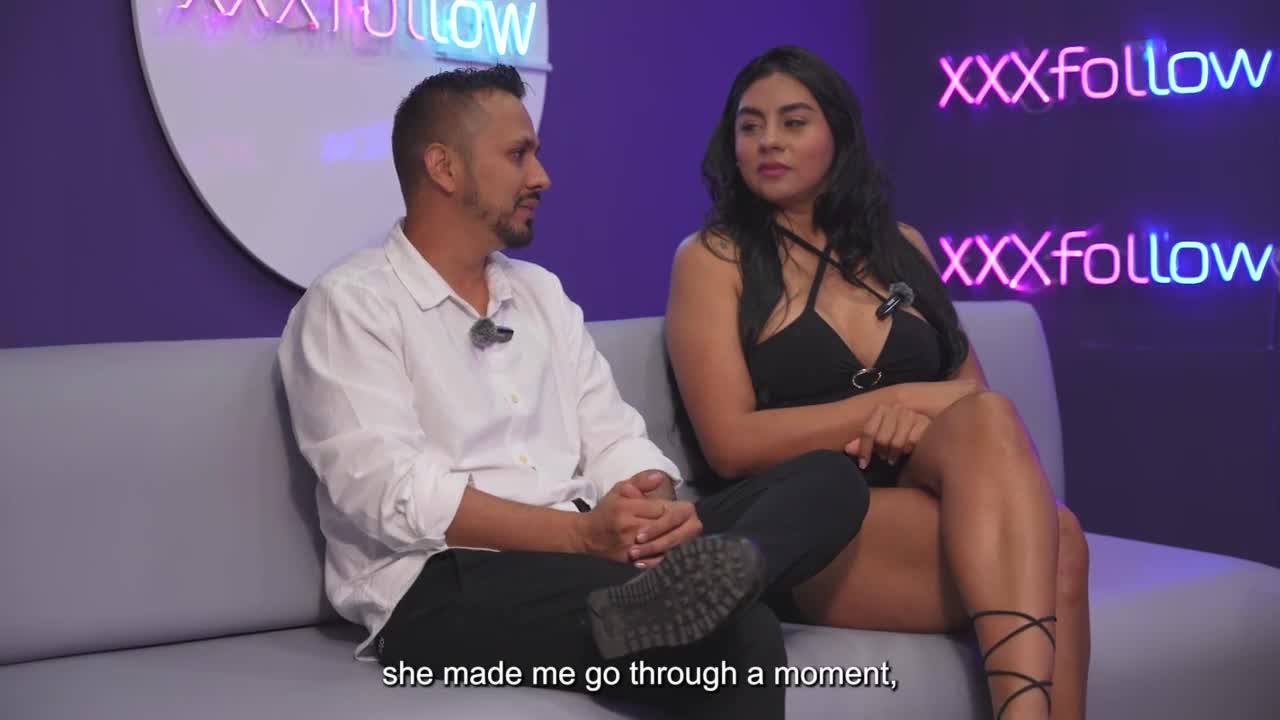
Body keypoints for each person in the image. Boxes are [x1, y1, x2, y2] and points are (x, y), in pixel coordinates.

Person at [277, 64, 871, 719]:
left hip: (588, 557)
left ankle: (719, 573)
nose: (542, 177)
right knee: (739, 637)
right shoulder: (350, 304)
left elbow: (612, 436)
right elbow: (391, 494)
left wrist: (652, 509)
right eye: (518, 155)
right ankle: (706, 592)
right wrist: (583, 535)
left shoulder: (539, 293)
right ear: (443, 167)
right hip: (440, 585)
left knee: (829, 479)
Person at [665, 46, 1092, 720]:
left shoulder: (904, 247)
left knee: (1027, 485)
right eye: (750, 126)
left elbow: (976, 404)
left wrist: (913, 423)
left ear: (837, 135)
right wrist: (886, 405)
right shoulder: (713, 258)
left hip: (925, 491)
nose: (768, 140)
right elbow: (730, 444)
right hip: (808, 522)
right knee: (1056, 544)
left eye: (793, 122)